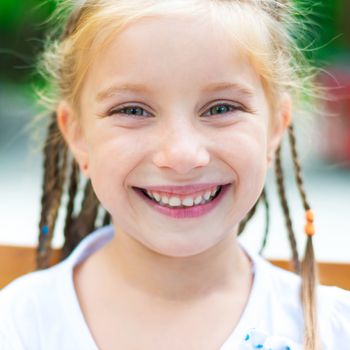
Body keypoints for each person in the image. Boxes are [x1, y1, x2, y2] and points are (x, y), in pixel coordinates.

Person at [0, 0, 349, 349]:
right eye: (133, 110)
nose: (182, 156)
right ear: (77, 136)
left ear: (274, 128)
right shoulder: (19, 326)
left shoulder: (331, 330)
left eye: (221, 108)